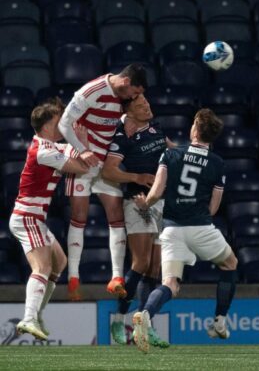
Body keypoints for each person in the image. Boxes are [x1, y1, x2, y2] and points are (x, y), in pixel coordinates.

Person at [130, 109, 238, 353]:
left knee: (170, 284)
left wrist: (145, 204)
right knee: (230, 263)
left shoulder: (171, 154)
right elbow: (214, 206)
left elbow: (157, 190)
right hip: (201, 227)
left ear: (196, 129)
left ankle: (145, 314)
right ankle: (220, 321)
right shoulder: (218, 163)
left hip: (172, 230)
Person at [58, 63, 147, 301]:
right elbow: (63, 124)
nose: (135, 98)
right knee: (79, 215)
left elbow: (133, 113)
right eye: (134, 93)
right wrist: (81, 149)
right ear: (126, 82)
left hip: (105, 164)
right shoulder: (90, 91)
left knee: (116, 214)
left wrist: (128, 119)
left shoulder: (125, 96)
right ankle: (73, 278)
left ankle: (116, 277)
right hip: (82, 160)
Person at [10, 99, 90, 339]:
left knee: (60, 262)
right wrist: (82, 143)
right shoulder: (44, 151)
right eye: (59, 122)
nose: (63, 126)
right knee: (43, 266)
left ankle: (37, 315)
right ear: (46, 126)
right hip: (27, 217)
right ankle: (28, 318)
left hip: (36, 218)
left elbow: (75, 154)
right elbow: (82, 167)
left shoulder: (50, 145)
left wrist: (80, 142)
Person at [102, 95, 172, 348]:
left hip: (160, 202)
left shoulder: (156, 128)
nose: (148, 106)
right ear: (129, 111)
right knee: (140, 263)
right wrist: (137, 176)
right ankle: (119, 320)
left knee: (155, 268)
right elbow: (109, 170)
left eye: (148, 103)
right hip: (137, 201)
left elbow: (172, 150)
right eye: (142, 105)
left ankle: (144, 325)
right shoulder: (122, 136)